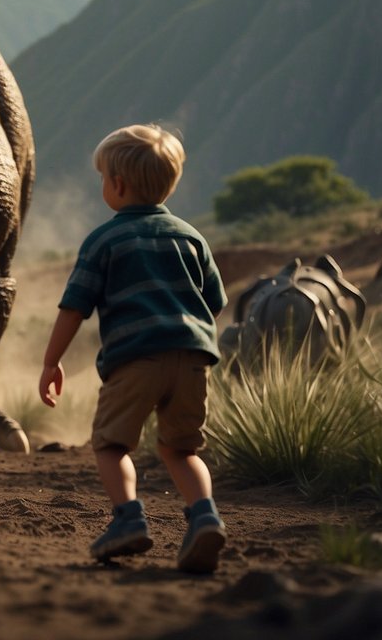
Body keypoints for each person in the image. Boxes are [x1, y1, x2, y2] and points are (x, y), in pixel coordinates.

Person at [37, 124, 229, 573]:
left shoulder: (105, 240)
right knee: (183, 451)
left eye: (103, 178)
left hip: (135, 360)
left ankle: (129, 519)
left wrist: (51, 361)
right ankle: (205, 517)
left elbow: (74, 308)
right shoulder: (191, 238)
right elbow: (214, 302)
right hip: (193, 358)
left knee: (110, 444)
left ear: (117, 185)